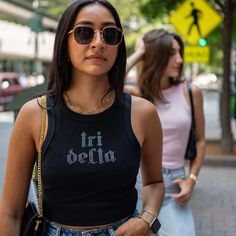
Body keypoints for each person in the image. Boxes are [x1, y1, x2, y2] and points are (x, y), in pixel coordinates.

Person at [0, 1, 164, 235]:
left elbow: (153, 183)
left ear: (119, 46)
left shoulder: (143, 113)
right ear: (64, 43)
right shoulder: (34, 114)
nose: (98, 42)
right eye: (84, 32)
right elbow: (10, 213)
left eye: (110, 34)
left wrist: (146, 218)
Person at [125, 29, 206, 236]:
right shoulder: (137, 94)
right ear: (155, 56)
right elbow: (107, 82)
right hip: (139, 184)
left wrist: (192, 179)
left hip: (174, 186)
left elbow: (200, 141)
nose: (179, 60)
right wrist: (140, 52)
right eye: (171, 53)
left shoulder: (190, 92)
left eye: (179, 53)